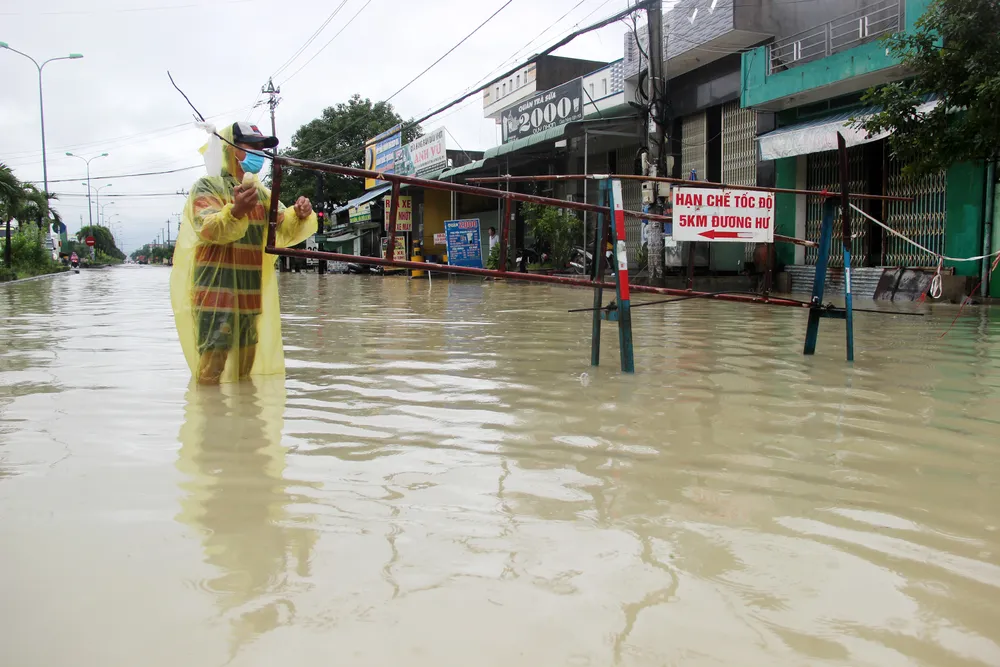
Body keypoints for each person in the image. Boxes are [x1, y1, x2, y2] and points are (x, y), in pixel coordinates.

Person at [169, 121, 317, 384]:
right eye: (252, 146)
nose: (259, 153)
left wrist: (301, 214)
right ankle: (209, 421)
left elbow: (283, 230)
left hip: (250, 295)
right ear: (231, 148)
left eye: (262, 148)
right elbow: (208, 228)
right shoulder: (207, 187)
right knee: (211, 370)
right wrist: (235, 211)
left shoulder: (262, 195)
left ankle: (246, 423)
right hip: (215, 295)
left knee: (245, 372)